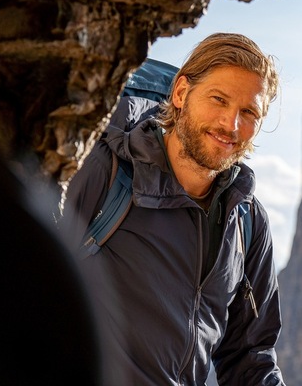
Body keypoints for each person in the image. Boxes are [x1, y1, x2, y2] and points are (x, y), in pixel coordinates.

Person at [59, 33, 285, 385]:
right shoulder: (103, 170)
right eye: (219, 99)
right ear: (181, 93)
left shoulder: (247, 220)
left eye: (249, 112)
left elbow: (251, 359)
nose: (231, 124)